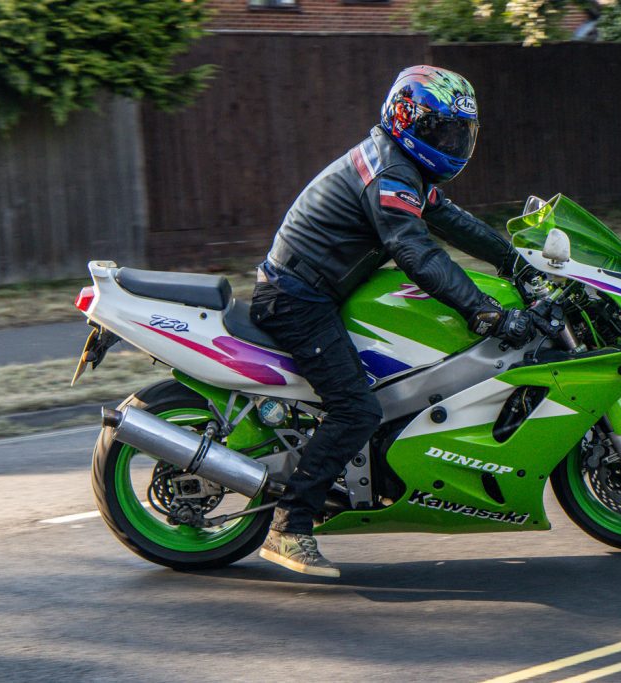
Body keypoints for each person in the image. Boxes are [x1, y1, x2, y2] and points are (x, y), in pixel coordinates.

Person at [249, 65, 537, 578]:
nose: (452, 142)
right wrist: (484, 311)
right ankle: (289, 526)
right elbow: (416, 252)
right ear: (408, 120)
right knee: (356, 409)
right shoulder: (390, 174)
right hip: (296, 298)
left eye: (460, 133)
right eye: (441, 130)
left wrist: (515, 261)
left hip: (317, 291)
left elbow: (452, 222)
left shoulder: (401, 165)